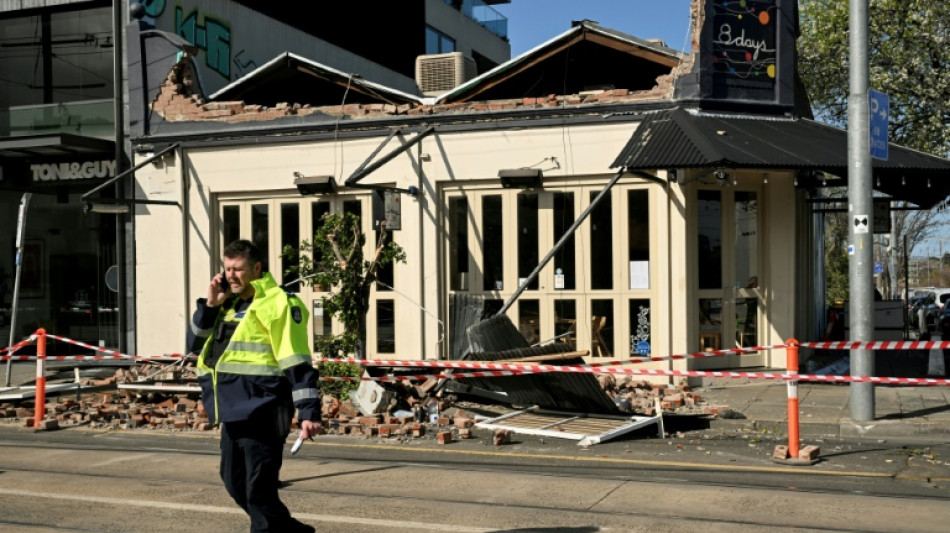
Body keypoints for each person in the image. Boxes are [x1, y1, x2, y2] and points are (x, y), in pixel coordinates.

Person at [187, 239, 320, 533]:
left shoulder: (279, 303)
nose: (231, 275)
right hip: (231, 411)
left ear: (256, 268)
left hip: (265, 409)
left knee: (258, 491)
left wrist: (308, 410)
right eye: (227, 268)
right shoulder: (227, 303)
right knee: (235, 484)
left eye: (238, 269)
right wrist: (210, 305)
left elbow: (296, 359)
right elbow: (193, 345)